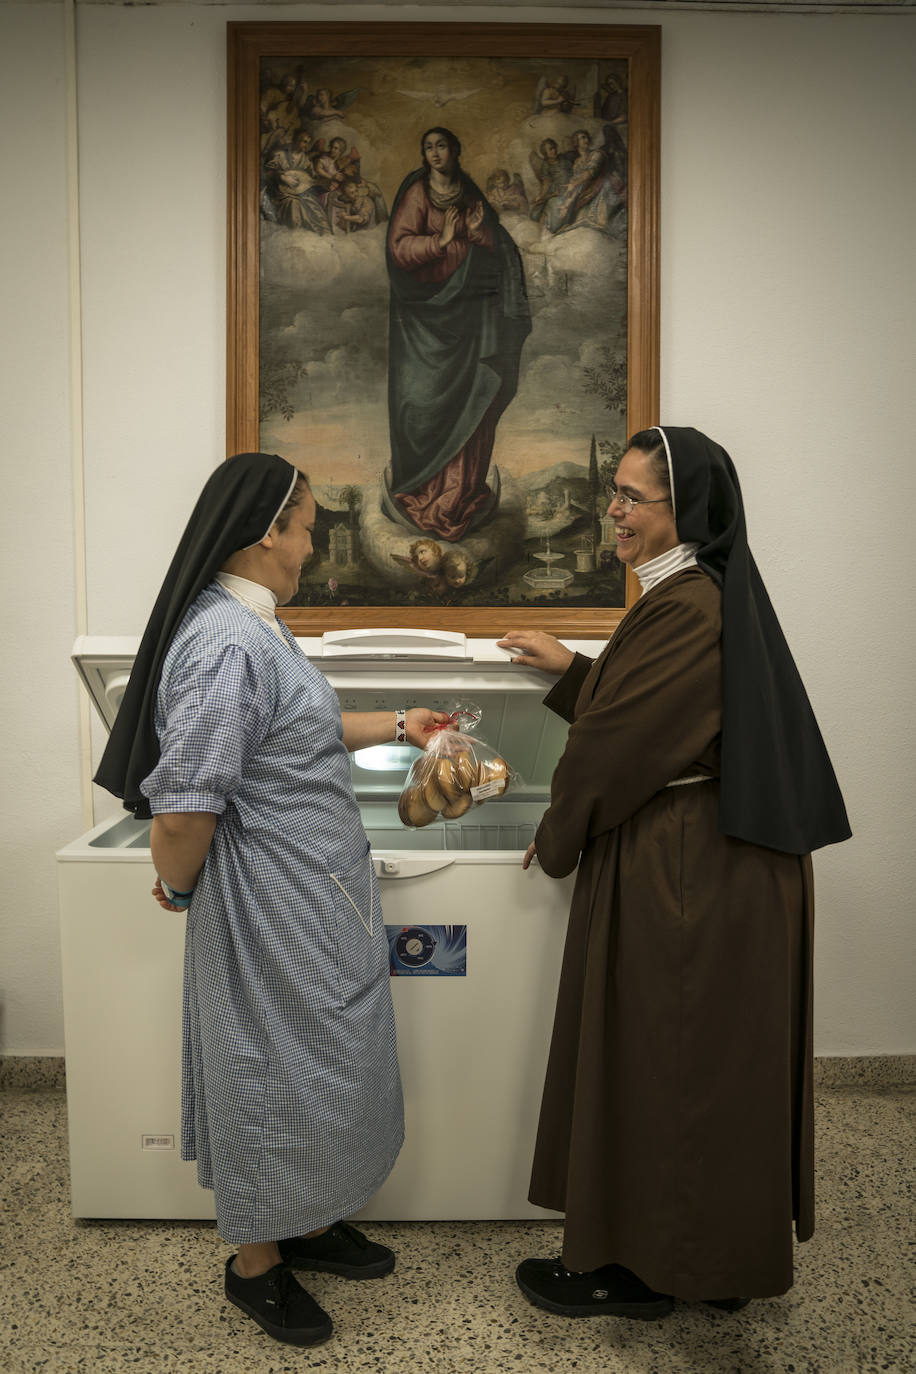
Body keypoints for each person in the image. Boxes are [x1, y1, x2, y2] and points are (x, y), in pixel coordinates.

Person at [94, 453, 449, 1348]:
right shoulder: (222, 644)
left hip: (315, 903)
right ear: (265, 533)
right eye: (307, 526)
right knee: (263, 1073)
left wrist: (401, 726)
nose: (313, 541)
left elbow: (300, 727)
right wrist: (177, 887)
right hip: (266, 911)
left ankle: (313, 1221)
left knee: (325, 1065)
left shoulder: (258, 628)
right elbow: (183, 806)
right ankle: (256, 1263)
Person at [497, 426, 850, 1319]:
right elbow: (647, 709)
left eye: (630, 497)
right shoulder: (689, 595)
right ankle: (696, 1258)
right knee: (691, 1067)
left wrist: (558, 830)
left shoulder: (688, 606)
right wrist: (572, 670)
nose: (611, 512)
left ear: (683, 509)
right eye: (611, 493)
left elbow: (618, 747)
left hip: (692, 873)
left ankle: (659, 1270)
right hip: (704, 859)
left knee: (676, 1065)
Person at [386, 126, 531, 542]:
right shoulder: (416, 194)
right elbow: (398, 250)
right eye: (427, 147)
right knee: (422, 404)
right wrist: (441, 240)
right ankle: (424, 494)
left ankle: (460, 496)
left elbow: (497, 244)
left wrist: (478, 232)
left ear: (455, 150)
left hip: (471, 320)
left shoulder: (470, 195)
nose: (434, 153)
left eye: (441, 146)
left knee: (475, 399)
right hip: (425, 322)